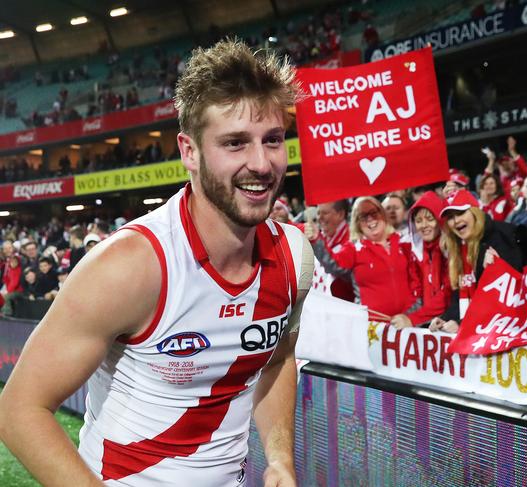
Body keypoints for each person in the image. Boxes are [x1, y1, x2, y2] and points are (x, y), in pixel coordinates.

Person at [0, 40, 313, 487]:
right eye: (235, 143)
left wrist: (279, 457)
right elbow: (19, 410)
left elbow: (278, 360)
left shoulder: (294, 257)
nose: (261, 164)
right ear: (189, 151)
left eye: (273, 140)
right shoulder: (132, 265)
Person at [305, 196, 416, 318]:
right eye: (363, 216)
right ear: (357, 223)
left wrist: (414, 316)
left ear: (383, 214)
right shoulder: (353, 248)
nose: (370, 219)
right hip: (373, 327)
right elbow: (333, 264)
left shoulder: (403, 242)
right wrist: (316, 240)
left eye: (374, 212)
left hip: (408, 324)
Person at [430, 190, 524, 333]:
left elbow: (501, 301)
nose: (456, 221)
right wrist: (446, 318)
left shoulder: (501, 238)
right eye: (450, 217)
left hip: (506, 331)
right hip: (478, 330)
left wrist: (462, 324)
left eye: (461, 213)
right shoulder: (460, 246)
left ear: (475, 212)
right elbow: (460, 296)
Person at [391, 191, 450, 328]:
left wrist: (412, 319)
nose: (424, 225)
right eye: (418, 221)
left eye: (430, 219)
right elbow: (416, 292)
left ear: (440, 220)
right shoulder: (416, 252)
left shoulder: (450, 250)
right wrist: (404, 315)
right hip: (427, 322)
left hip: (448, 322)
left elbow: (446, 295)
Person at [310, 199, 355, 301]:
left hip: (347, 307)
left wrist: (317, 242)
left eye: (325, 213)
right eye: (318, 213)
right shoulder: (320, 238)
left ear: (340, 214)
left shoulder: (353, 240)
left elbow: (336, 268)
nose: (319, 218)